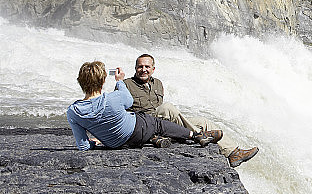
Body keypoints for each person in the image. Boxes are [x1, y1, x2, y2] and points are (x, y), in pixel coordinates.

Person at [123, 54, 259, 168]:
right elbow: (122, 112)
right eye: (140, 66)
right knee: (168, 107)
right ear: (135, 68)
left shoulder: (157, 83)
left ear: (153, 69)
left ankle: (233, 153)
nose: (143, 69)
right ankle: (199, 136)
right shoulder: (126, 84)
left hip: (163, 123)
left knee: (203, 122)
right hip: (145, 124)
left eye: (147, 67)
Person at [66, 61, 221, 151]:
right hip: (136, 130)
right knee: (157, 123)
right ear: (102, 81)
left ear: (80, 82)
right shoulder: (113, 98)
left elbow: (83, 146)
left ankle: (155, 139)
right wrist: (120, 81)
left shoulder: (73, 111)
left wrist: (97, 142)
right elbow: (128, 102)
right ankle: (197, 136)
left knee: (148, 127)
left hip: (114, 144)